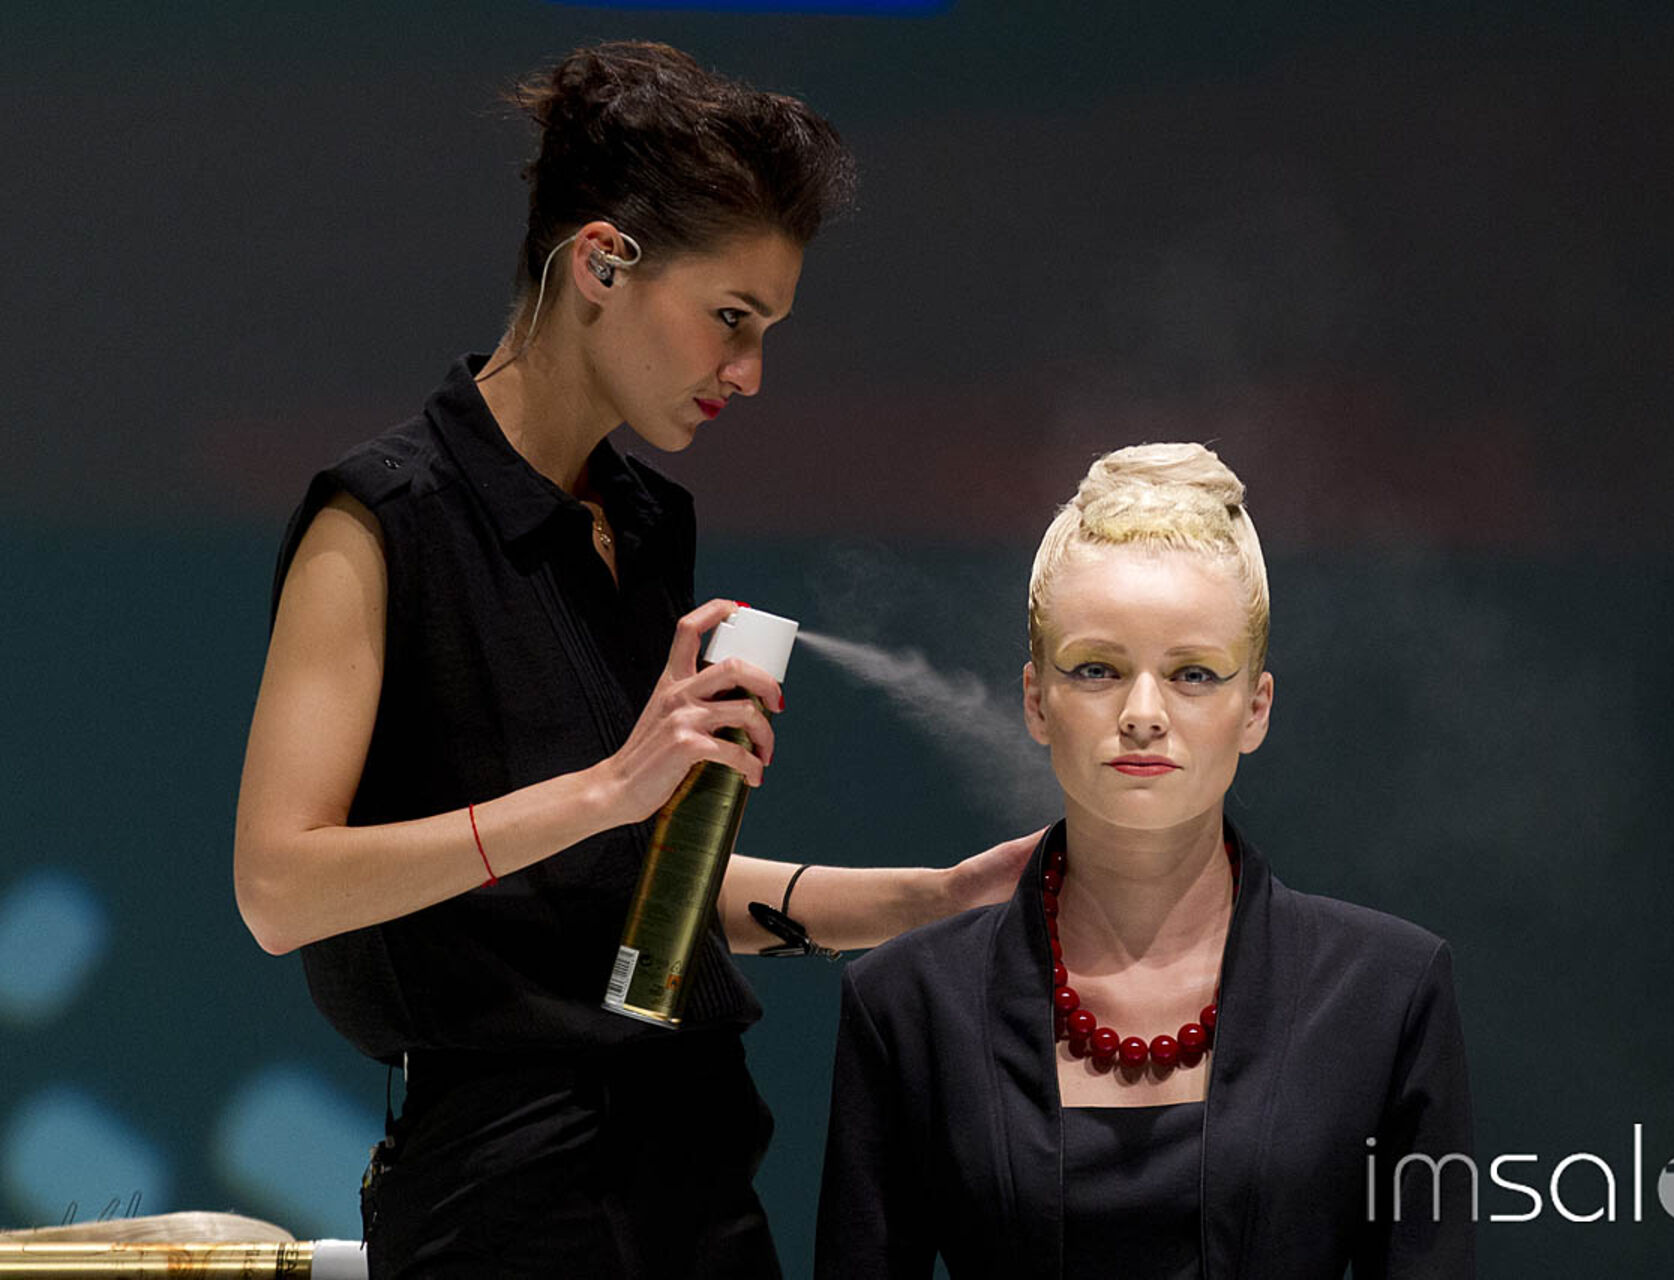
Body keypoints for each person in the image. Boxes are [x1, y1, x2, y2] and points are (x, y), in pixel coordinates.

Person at [232, 41, 1028, 1278]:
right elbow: (279, 888)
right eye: (731, 319)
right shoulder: (382, 518)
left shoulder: (648, 524)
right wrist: (609, 787)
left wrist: (936, 899)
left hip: (699, 1174)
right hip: (506, 1205)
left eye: (766, 331)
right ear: (602, 262)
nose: (749, 373)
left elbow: (632, 894)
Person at [815, 444, 1475, 1279]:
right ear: (1036, 700)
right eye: (1097, 669)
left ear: (1256, 708)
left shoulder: (1385, 993)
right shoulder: (908, 1003)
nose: (1143, 713)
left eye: (1193, 674)